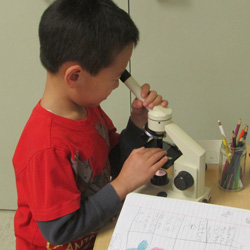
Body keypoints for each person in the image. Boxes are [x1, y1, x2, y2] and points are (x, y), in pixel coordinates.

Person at [12, 0, 169, 249]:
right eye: (115, 78)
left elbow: (112, 163)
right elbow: (60, 230)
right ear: (75, 76)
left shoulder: (88, 108)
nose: (117, 86)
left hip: (96, 233)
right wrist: (121, 185)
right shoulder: (45, 147)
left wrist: (137, 123)